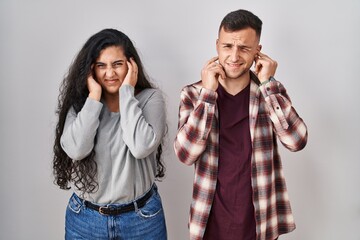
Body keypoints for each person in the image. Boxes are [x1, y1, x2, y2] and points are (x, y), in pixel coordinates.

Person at [174, 9, 308, 240]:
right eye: (228, 46)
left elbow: (296, 141)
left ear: (258, 51)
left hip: (260, 224)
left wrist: (267, 83)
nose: (234, 56)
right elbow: (185, 155)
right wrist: (208, 94)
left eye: (244, 48)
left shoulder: (269, 93)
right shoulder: (194, 94)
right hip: (209, 222)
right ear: (217, 45)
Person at [53, 28, 167, 239]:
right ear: (90, 70)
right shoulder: (80, 106)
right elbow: (77, 150)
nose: (110, 73)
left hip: (142, 219)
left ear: (131, 66)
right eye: (101, 66)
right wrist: (94, 97)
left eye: (117, 64)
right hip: (86, 220)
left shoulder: (150, 99)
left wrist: (126, 92)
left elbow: (140, 147)